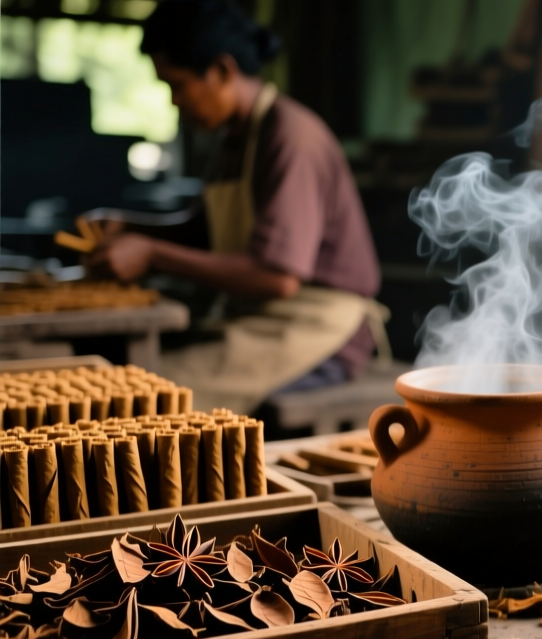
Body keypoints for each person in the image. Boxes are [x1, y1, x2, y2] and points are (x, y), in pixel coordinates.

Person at [88, 0, 386, 412]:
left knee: (154, 396)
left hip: (320, 331)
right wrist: (131, 229)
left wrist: (152, 253)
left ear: (222, 71)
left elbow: (277, 277)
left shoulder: (290, 136)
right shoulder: (235, 138)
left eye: (177, 84)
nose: (174, 101)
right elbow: (207, 230)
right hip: (258, 320)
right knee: (128, 371)